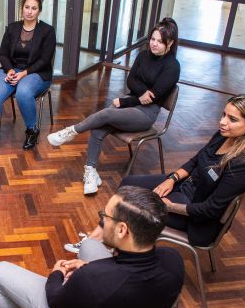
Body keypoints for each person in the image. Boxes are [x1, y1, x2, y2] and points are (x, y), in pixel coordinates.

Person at [0, 186, 184, 308]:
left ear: (122, 229)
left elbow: (55, 299)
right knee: (89, 245)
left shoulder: (91, 279)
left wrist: (57, 273)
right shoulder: (174, 260)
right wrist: (92, 266)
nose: (103, 221)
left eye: (105, 217)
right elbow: (121, 276)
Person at [64, 94, 245, 253]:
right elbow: (195, 161)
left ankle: (99, 242)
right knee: (128, 183)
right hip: (185, 188)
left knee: (131, 206)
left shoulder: (244, 165)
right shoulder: (223, 136)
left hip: (195, 216)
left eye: (232, 119)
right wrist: (173, 179)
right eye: (224, 115)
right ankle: (104, 240)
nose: (222, 122)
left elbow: (210, 210)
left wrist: (169, 206)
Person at [47, 17, 180, 195]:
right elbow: (131, 80)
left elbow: (152, 99)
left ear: (170, 43)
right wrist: (140, 93)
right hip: (131, 105)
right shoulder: (143, 56)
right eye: (152, 39)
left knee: (106, 115)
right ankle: (91, 172)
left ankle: (71, 131)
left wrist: (126, 101)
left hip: (145, 115)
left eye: (159, 41)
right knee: (98, 126)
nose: (154, 44)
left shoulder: (172, 66)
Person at [0, 0, 56, 155]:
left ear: (39, 11)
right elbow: (3, 54)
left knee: (23, 92)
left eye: (34, 8)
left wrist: (24, 74)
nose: (29, 11)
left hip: (36, 72)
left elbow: (45, 60)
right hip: (12, 70)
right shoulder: (12, 28)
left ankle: (32, 131)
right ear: (22, 8)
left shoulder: (47, 31)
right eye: (27, 7)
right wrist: (10, 70)